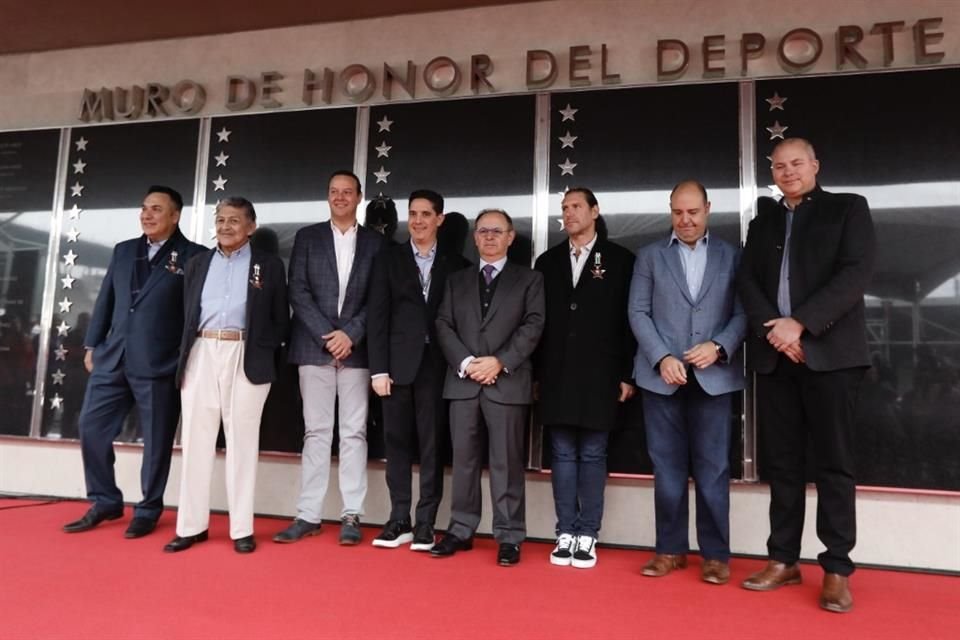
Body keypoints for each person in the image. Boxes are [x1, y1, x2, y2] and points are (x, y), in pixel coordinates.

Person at [737, 138, 876, 613]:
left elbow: (855, 275)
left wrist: (803, 324)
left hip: (832, 356)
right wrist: (776, 331)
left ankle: (836, 567)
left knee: (834, 465)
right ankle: (783, 559)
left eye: (797, 163)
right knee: (783, 465)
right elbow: (747, 283)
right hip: (776, 357)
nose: (788, 171)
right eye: (779, 165)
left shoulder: (847, 209)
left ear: (815, 165)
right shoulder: (764, 221)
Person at [63, 185, 205, 538]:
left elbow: (195, 315)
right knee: (91, 427)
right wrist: (93, 344)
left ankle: (148, 508)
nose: (147, 214)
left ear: (175, 215)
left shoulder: (194, 256)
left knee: (156, 441)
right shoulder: (124, 251)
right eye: (144, 208)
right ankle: (106, 500)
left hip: (159, 363)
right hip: (113, 357)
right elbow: (107, 300)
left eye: (156, 209)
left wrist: (184, 358)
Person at [629, 180, 747, 585]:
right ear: (670, 211)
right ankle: (669, 550)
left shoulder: (732, 255)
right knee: (667, 469)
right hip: (661, 380)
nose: (686, 220)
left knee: (714, 469)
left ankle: (715, 556)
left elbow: (743, 313)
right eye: (678, 212)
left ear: (708, 209)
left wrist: (719, 346)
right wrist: (661, 357)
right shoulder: (648, 256)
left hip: (715, 378)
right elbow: (638, 313)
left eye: (693, 212)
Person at [163, 197, 289, 554]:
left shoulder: (268, 265)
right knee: (195, 441)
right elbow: (185, 313)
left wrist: (263, 347)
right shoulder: (197, 262)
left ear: (251, 227)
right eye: (220, 219)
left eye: (234, 220)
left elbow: (281, 316)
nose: (225, 226)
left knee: (242, 443)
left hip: (246, 354)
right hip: (202, 351)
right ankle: (191, 526)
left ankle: (241, 529)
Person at [274, 170, 385, 545]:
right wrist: (328, 337)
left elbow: (378, 298)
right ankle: (308, 515)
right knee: (316, 432)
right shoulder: (308, 237)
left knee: (354, 432)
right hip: (313, 347)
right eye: (334, 192)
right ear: (328, 197)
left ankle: (351, 514)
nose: (340, 197)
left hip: (358, 349)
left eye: (347, 192)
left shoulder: (376, 243)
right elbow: (298, 292)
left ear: (359, 197)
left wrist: (350, 334)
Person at [432, 208, 545, 566]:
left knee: (507, 463)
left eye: (498, 231)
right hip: (464, 383)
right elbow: (443, 324)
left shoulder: (529, 280)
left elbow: (533, 325)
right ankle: (461, 529)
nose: (490, 237)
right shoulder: (456, 280)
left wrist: (499, 361)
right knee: (463, 461)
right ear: (475, 237)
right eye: (483, 231)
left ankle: (509, 535)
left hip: (507, 381)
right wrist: (467, 364)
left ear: (511, 236)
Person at [534, 187, 636, 569]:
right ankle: (566, 531)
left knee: (593, 453)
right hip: (557, 372)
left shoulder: (620, 259)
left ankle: (588, 533)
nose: (569, 213)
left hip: (601, 374)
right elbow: (538, 324)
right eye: (564, 208)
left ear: (595, 211)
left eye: (577, 206)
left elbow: (629, 321)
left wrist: (627, 374)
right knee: (561, 452)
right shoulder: (548, 262)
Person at [367, 189, 469, 550]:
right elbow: (376, 317)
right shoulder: (388, 259)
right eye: (413, 213)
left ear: (440, 219)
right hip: (395, 367)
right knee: (396, 444)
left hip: (438, 368)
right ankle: (399, 519)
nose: (418, 221)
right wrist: (377, 369)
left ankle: (425, 523)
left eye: (426, 214)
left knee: (432, 446)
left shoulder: (457, 265)